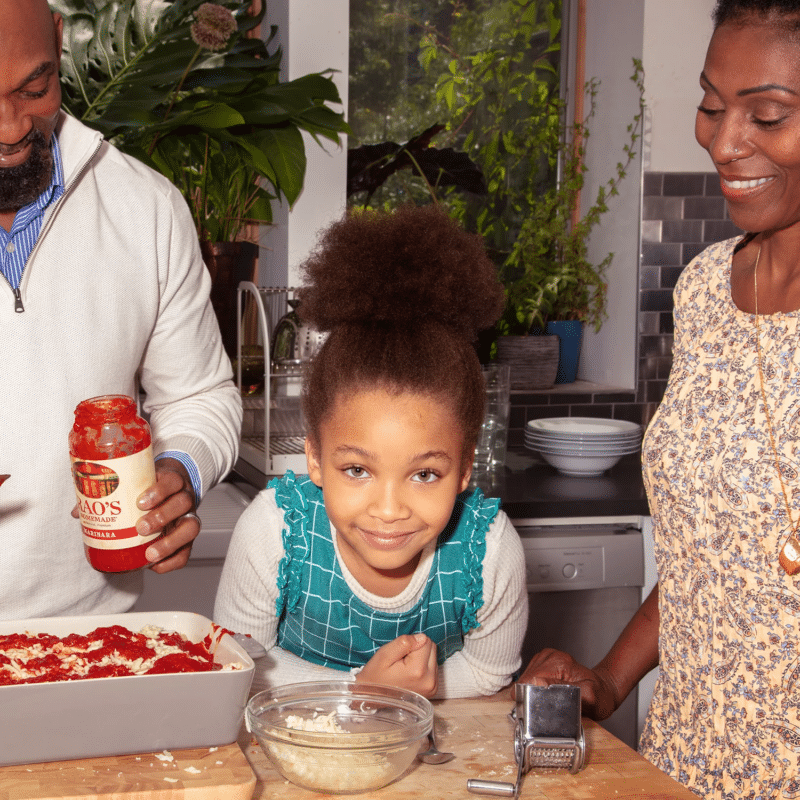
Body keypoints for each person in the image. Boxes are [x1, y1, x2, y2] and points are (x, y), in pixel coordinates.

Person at [519, 1, 800, 796]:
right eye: (713, 105)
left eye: (768, 115)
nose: (722, 140)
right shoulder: (708, 288)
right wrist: (608, 680)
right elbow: (711, 558)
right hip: (681, 768)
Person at [214, 205, 528, 699]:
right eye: (357, 469)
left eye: (424, 475)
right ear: (314, 457)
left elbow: (490, 673)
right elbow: (236, 666)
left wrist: (403, 694)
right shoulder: (273, 531)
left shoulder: (488, 550)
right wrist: (361, 690)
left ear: (465, 467)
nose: (388, 510)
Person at [0, 0, 241, 620]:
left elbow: (200, 396)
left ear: (58, 40)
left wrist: (179, 471)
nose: (8, 127)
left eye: (34, 86)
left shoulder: (146, 208)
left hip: (93, 646)